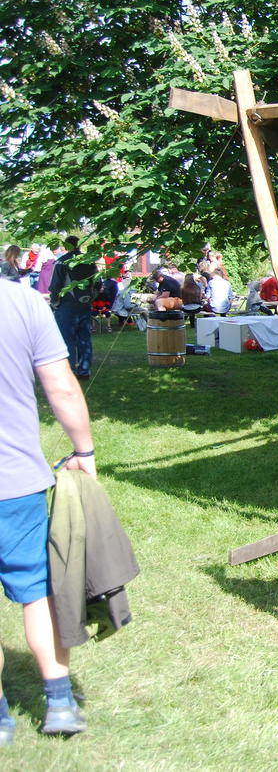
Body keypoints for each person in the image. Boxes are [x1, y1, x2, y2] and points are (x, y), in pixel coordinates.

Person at [0, 279, 95, 739]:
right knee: (38, 590)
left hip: (15, 480)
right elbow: (61, 385)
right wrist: (85, 451)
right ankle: (58, 701)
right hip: (15, 481)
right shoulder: (20, 301)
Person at [48, 237, 99, 380]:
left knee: (67, 339)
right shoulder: (89, 261)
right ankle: (84, 370)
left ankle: (69, 371)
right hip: (85, 304)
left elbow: (55, 285)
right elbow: (97, 284)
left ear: (66, 245)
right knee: (85, 339)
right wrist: (89, 298)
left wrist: (54, 302)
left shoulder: (62, 261)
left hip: (67, 304)